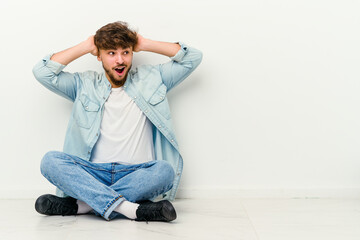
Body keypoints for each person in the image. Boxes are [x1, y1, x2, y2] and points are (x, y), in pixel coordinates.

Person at [32, 21, 202, 222]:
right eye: (111, 53)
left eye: (126, 52)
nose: (120, 60)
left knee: (165, 171)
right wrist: (86, 45)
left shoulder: (153, 78)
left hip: (137, 174)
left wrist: (143, 43)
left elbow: (192, 57)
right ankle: (131, 209)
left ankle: (84, 206)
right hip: (93, 174)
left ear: (132, 53)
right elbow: (42, 72)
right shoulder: (83, 84)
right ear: (99, 56)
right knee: (50, 161)